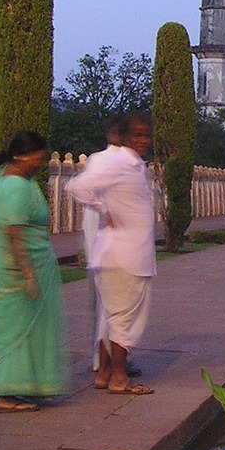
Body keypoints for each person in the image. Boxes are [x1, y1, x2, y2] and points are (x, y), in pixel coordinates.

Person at [0, 131, 67, 413]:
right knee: (17, 329)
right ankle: (7, 394)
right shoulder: (15, 186)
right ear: (20, 156)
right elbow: (14, 232)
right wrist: (28, 274)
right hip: (11, 268)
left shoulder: (2, 176)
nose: (41, 162)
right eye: (38, 156)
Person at [66, 112, 155, 395]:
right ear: (124, 138)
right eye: (137, 135)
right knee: (123, 319)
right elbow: (77, 187)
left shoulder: (135, 166)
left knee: (113, 317)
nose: (143, 141)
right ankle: (119, 377)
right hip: (122, 255)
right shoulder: (117, 162)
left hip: (131, 253)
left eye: (146, 135)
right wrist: (104, 208)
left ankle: (105, 373)